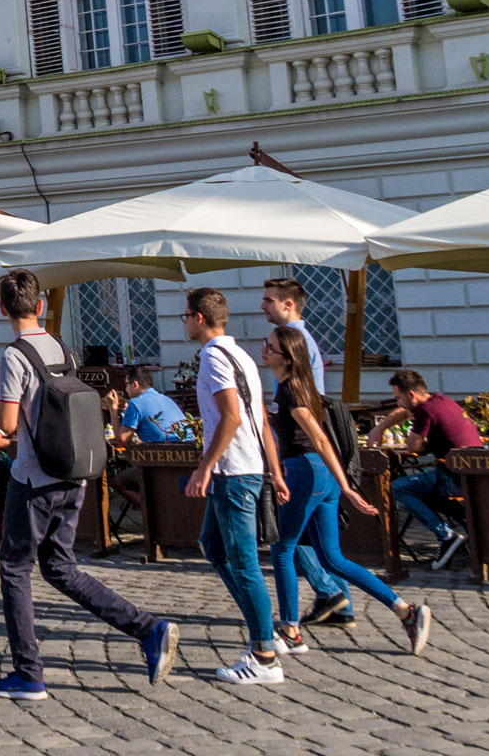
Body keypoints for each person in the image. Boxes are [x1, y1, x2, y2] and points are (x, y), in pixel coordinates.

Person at [0, 269, 176, 702]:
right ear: (41, 306)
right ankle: (148, 628)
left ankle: (28, 673)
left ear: (2, 311)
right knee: (60, 567)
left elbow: (9, 426)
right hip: (73, 473)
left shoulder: (14, 356)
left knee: (15, 569)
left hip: (33, 479)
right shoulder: (60, 348)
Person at [260, 327, 434, 658]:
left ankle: (291, 632)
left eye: (271, 347)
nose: (264, 350)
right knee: (332, 558)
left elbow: (322, 439)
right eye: (266, 345)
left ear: (289, 358)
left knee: (283, 550)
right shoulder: (297, 388)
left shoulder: (292, 392)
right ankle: (405, 611)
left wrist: (347, 488)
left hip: (305, 472)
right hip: (318, 475)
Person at [182, 286, 284, 686]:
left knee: (245, 564)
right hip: (248, 466)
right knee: (215, 547)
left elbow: (233, 416)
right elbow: (259, 415)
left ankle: (264, 654)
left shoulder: (213, 358)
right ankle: (266, 629)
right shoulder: (240, 353)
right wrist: (273, 469)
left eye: (186, 316)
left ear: (199, 318)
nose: (186, 322)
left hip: (234, 471)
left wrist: (204, 468)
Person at [258, 278, 349, 630]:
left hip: (303, 449)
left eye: (268, 300)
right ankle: (341, 604)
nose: (263, 307)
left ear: (288, 304)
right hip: (306, 446)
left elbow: (304, 403)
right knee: (319, 542)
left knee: (289, 539)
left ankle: (324, 597)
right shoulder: (295, 340)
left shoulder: (293, 342)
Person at [366, 369, 484, 570]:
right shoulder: (442, 401)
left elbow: (413, 447)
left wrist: (423, 444)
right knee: (415, 483)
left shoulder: (425, 411)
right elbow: (404, 412)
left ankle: (445, 535)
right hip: (474, 477)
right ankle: (449, 536)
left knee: (397, 488)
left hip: (454, 481)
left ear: (411, 394)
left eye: (399, 398)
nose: (398, 403)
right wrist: (380, 428)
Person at [110, 368, 187, 446]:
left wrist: (113, 408)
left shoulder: (135, 403)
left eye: (126, 384)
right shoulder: (166, 399)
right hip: (189, 447)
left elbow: (122, 440)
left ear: (134, 384)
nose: (126, 389)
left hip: (165, 451)